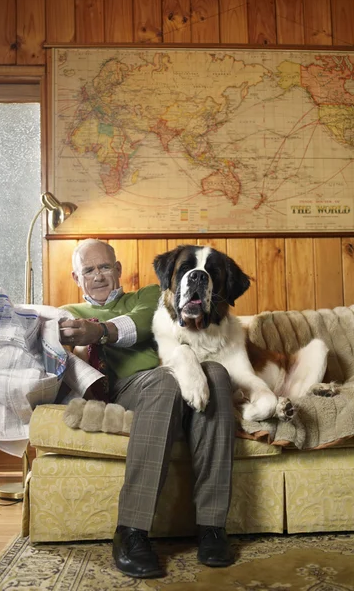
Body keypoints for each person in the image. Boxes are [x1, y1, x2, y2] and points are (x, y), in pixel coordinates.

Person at [59, 239, 236, 579]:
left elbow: (142, 323)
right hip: (128, 387)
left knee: (216, 372)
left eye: (105, 267)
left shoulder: (145, 298)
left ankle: (213, 528)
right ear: (76, 277)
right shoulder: (69, 312)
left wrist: (100, 330)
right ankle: (131, 532)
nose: (98, 276)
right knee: (165, 381)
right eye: (88, 270)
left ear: (118, 270)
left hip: (172, 374)